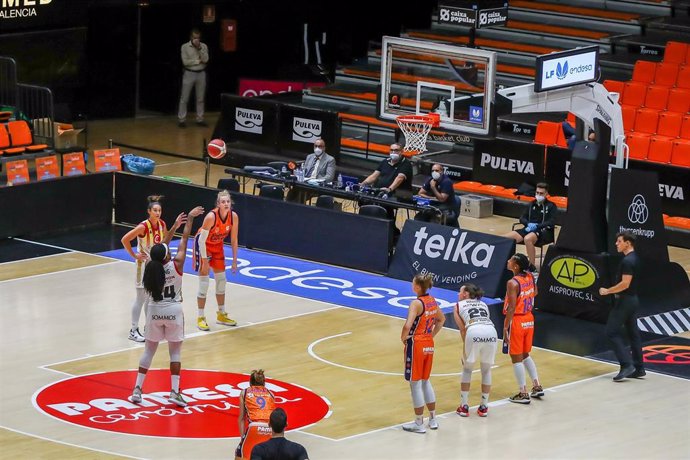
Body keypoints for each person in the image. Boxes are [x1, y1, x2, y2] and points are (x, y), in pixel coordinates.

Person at [129, 205, 204, 407]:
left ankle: (137, 389)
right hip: (173, 311)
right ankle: (174, 392)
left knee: (148, 351)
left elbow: (158, 249)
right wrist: (189, 220)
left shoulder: (149, 268)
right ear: (167, 256)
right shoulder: (177, 264)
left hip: (154, 311)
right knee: (175, 354)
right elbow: (185, 240)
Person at [121, 195, 184, 342]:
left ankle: (148, 328)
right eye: (155, 210)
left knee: (150, 299)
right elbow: (125, 239)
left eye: (159, 210)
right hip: (143, 266)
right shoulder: (143, 226)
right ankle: (133, 330)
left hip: (155, 265)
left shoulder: (162, 224)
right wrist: (134, 255)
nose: (158, 213)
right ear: (149, 211)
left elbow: (165, 241)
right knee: (141, 298)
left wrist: (175, 226)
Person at [400, 273, 446, 433]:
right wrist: (431, 336)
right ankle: (433, 419)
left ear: (417, 287)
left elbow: (408, 325)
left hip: (417, 344)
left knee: (415, 384)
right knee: (426, 381)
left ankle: (419, 423)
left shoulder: (416, 303)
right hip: (428, 344)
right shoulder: (432, 301)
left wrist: (403, 338)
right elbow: (441, 320)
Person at [599, 231, 645, 381]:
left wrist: (608, 291)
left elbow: (625, 284)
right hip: (633, 299)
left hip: (625, 301)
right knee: (633, 333)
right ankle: (639, 368)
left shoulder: (627, 261)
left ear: (628, 243)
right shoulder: (635, 258)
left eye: (619, 241)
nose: (616, 244)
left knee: (611, 332)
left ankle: (626, 365)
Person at [193, 190, 239, 331]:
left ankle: (221, 314)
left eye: (228, 202)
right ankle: (200, 317)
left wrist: (234, 260)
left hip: (217, 246)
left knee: (221, 280)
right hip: (203, 246)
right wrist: (205, 260)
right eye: (223, 202)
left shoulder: (234, 216)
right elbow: (201, 240)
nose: (226, 204)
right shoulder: (211, 217)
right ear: (218, 204)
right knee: (204, 283)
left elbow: (233, 239)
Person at [503, 253, 544, 404]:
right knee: (525, 354)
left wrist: (506, 326)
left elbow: (512, 307)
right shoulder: (529, 277)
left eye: (511, 260)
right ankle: (537, 385)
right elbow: (536, 292)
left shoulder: (512, 283)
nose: (508, 261)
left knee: (516, 357)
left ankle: (523, 392)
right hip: (529, 318)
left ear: (515, 266)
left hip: (518, 320)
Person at [453, 283, 497, 418]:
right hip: (491, 332)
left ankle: (464, 406)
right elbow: (486, 320)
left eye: (460, 292)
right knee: (486, 370)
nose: (458, 294)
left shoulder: (458, 305)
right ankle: (484, 407)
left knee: (467, 369)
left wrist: (465, 350)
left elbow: (463, 329)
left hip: (473, 331)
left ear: (465, 294)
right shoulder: (483, 304)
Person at [503, 182, 557, 271]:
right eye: (537, 193)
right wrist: (528, 224)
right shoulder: (531, 204)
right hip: (528, 228)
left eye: (541, 193)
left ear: (546, 194)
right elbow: (522, 218)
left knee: (527, 239)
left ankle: (532, 268)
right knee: (505, 238)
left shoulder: (551, 206)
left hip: (542, 231)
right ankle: (506, 263)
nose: (538, 195)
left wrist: (538, 226)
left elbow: (551, 222)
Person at [235, 370, 277, 460]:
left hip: (254, 427)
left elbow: (242, 418)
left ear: (250, 382)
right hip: (270, 429)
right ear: (264, 382)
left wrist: (243, 438)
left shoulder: (244, 392)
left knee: (239, 455)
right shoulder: (271, 394)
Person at [287, 138, 336, 203]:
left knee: (302, 192)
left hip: (317, 186)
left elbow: (330, 177)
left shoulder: (330, 160)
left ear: (324, 148)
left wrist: (316, 181)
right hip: (305, 182)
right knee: (293, 190)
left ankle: (298, 209)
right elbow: (304, 170)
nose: (317, 148)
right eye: (316, 146)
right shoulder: (309, 157)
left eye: (320, 146)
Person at [178, 28, 209, 128]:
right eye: (195, 38)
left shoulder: (203, 46)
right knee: (184, 98)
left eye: (198, 38)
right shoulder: (185, 47)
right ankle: (181, 120)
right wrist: (197, 61)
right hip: (189, 73)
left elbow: (206, 59)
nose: (197, 40)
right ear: (191, 37)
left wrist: (199, 48)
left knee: (200, 98)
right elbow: (185, 62)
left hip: (201, 74)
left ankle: (200, 119)